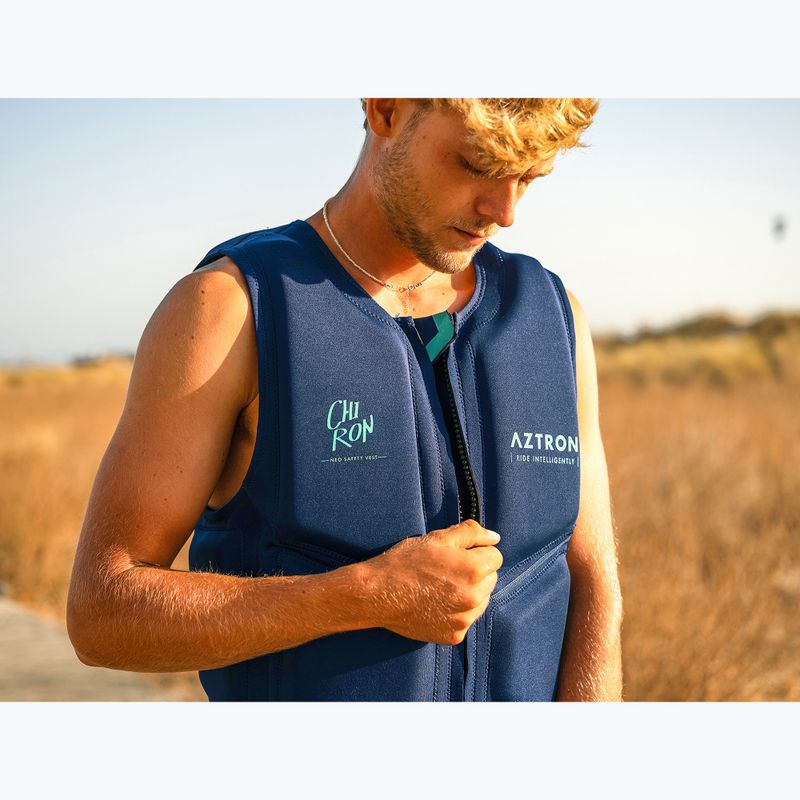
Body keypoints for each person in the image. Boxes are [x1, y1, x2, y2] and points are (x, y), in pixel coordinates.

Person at [66, 98, 623, 701]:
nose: (505, 211)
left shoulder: (552, 317)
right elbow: (103, 613)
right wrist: (360, 596)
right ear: (386, 108)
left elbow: (592, 581)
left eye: (528, 177)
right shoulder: (229, 309)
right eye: (476, 163)